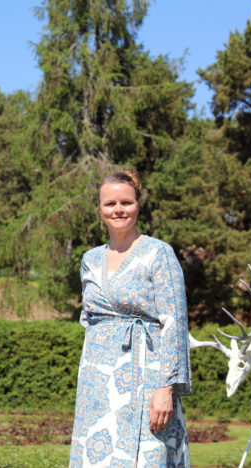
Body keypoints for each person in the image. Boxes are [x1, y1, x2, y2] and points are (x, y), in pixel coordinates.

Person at [69, 170, 191, 467]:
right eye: (110, 203)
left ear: (138, 204)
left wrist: (166, 388)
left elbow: (175, 322)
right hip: (97, 381)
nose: (118, 209)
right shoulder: (90, 260)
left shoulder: (158, 253)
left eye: (126, 202)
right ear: (100, 209)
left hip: (146, 377)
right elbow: (89, 319)